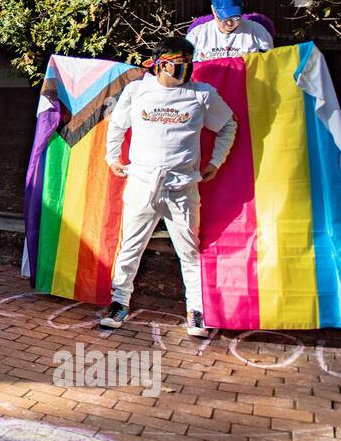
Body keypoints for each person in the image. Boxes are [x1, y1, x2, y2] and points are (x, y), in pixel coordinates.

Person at [102, 35, 239, 338]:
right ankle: (118, 302)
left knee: (188, 251)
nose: (184, 73)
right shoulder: (137, 91)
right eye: (177, 66)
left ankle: (197, 310)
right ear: (159, 64)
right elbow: (117, 125)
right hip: (141, 183)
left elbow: (229, 124)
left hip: (182, 187)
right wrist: (112, 157)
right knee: (130, 248)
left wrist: (216, 162)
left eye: (188, 66)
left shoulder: (202, 94)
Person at [187, 0, 274, 61]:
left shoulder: (257, 31)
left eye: (235, 17)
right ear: (213, 10)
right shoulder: (197, 35)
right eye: (223, 18)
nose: (229, 23)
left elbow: (269, 64)